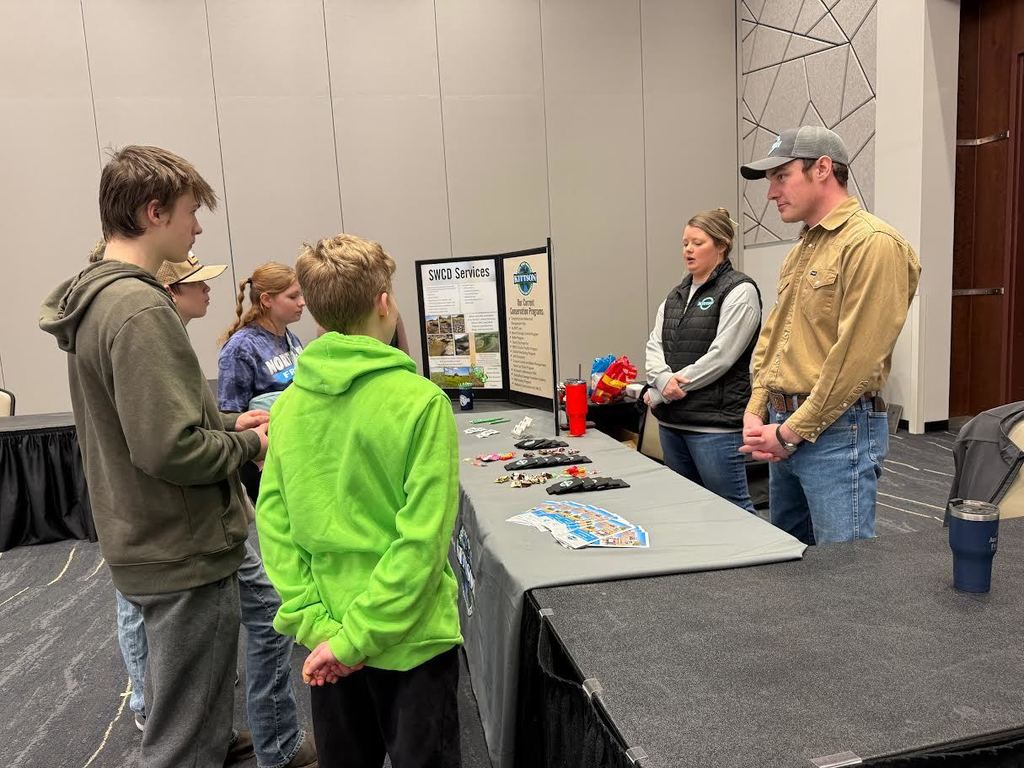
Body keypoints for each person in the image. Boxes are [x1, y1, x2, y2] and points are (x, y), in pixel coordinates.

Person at [40, 145, 267, 768]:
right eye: (192, 214)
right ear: (153, 211)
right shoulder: (140, 308)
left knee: (189, 720)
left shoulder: (99, 300)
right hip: (180, 545)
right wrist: (250, 441)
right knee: (182, 743)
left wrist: (225, 418)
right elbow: (170, 448)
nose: (196, 228)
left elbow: (143, 418)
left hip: (148, 535)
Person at [256, 234, 463, 768]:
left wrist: (325, 632)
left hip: (326, 638)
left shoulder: (288, 408)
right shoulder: (421, 403)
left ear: (317, 313)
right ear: (384, 302)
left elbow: (275, 529)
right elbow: (422, 544)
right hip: (411, 640)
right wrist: (354, 640)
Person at [112, 251, 317, 768]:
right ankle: (160, 712)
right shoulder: (152, 336)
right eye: (197, 283)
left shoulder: (170, 337)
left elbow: (205, 420)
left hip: (204, 510)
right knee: (160, 623)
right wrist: (246, 443)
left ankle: (241, 735)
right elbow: (170, 445)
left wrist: (233, 425)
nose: (209, 291)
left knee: (227, 625)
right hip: (177, 520)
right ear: (170, 290)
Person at [738, 126, 921, 545]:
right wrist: (758, 408)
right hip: (786, 424)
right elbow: (776, 336)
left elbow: (857, 359)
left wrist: (789, 433)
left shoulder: (873, 243)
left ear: (822, 169)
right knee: (791, 563)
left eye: (781, 176)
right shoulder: (802, 248)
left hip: (837, 431)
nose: (771, 193)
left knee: (846, 583)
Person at [644, 207, 761, 514]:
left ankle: (757, 565)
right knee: (687, 509)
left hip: (714, 428)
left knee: (733, 510)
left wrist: (668, 387)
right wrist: (661, 381)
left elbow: (721, 357)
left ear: (721, 245)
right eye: (685, 243)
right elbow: (654, 346)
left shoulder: (739, 290)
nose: (688, 250)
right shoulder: (676, 295)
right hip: (672, 421)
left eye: (697, 242)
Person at [217, 262, 305, 414]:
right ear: (266, 300)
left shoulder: (291, 338)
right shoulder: (241, 348)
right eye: (292, 296)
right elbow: (231, 415)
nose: (302, 302)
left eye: (301, 295)